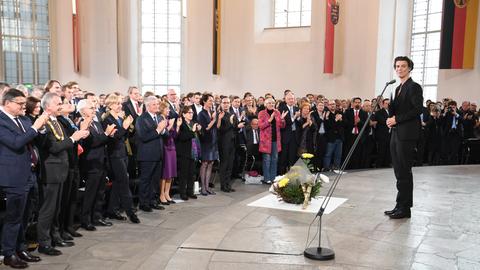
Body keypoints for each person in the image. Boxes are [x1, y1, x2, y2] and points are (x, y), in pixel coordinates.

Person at [0, 89, 48, 268]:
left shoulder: (24, 119)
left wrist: (40, 129)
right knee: (13, 217)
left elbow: (35, 142)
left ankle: (21, 248)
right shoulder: (1, 120)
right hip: (12, 175)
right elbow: (15, 143)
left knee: (26, 215)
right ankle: (9, 253)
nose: (23, 107)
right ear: (7, 103)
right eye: (20, 103)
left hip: (30, 173)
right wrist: (36, 128)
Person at [37, 93, 89, 255]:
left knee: (57, 207)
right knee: (48, 209)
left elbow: (62, 142)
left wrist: (77, 136)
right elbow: (53, 147)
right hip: (51, 170)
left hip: (61, 169)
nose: (61, 106)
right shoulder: (43, 123)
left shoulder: (56, 120)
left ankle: (55, 235)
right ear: (48, 107)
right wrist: (73, 138)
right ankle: (44, 242)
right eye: (58, 103)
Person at [385, 56, 423, 219]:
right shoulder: (397, 88)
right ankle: (399, 204)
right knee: (398, 171)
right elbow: (397, 111)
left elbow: (417, 109)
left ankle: (405, 208)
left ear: (409, 68)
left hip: (406, 134)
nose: (399, 69)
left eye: (403, 66)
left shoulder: (414, 87)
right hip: (396, 133)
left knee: (404, 171)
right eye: (397, 66)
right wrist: (389, 116)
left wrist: (397, 119)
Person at [101, 94, 140, 223]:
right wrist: (124, 126)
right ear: (110, 105)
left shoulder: (119, 117)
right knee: (124, 182)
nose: (120, 106)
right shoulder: (107, 119)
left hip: (123, 153)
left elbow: (126, 135)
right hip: (114, 154)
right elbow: (116, 136)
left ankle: (112, 210)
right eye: (117, 103)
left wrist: (128, 125)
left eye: (120, 103)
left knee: (118, 182)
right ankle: (130, 212)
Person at [135, 96, 168, 212]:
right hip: (147, 155)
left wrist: (163, 130)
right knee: (146, 179)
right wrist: (158, 130)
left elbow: (166, 134)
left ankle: (153, 201)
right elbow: (143, 137)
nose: (157, 106)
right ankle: (144, 203)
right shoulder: (141, 119)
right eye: (154, 105)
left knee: (155, 180)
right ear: (148, 106)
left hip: (158, 153)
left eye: (157, 104)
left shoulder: (159, 117)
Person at [258, 98, 287, 184]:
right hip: (266, 141)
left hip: (275, 140)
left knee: (275, 159)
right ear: (265, 104)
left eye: (273, 103)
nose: (271, 104)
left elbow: (282, 126)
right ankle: (267, 178)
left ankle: (273, 178)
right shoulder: (262, 113)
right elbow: (260, 126)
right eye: (269, 103)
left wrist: (282, 119)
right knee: (267, 160)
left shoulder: (277, 112)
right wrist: (269, 120)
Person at [176, 106, 201, 200]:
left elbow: (197, 136)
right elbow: (181, 137)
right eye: (189, 113)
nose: (191, 114)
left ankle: (190, 191)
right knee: (184, 174)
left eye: (192, 113)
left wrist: (199, 129)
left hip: (193, 151)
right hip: (184, 152)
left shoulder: (193, 122)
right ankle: (183, 193)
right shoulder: (181, 123)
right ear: (183, 114)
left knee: (192, 173)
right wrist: (193, 131)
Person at [159, 101, 181, 204]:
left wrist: (177, 126)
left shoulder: (168, 119)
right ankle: (161, 194)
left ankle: (167, 193)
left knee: (171, 173)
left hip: (172, 146)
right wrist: (169, 126)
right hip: (165, 147)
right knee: (165, 173)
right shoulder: (159, 119)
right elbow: (163, 134)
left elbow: (174, 135)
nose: (168, 110)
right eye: (167, 109)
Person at [197, 93, 219, 195]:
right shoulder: (201, 114)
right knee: (205, 163)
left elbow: (216, 127)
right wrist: (214, 119)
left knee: (211, 164)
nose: (212, 102)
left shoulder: (212, 112)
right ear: (204, 101)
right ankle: (203, 188)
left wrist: (217, 118)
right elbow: (205, 128)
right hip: (205, 141)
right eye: (210, 100)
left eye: (212, 100)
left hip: (213, 140)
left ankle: (207, 186)